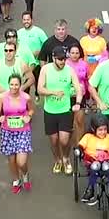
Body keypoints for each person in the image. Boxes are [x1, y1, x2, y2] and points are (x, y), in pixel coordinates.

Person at [38, 46, 83, 175]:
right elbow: (40, 89)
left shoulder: (70, 70)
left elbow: (78, 89)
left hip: (65, 110)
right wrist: (53, 92)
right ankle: (57, 160)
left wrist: (78, 103)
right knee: (54, 140)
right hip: (50, 111)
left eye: (64, 59)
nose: (62, 62)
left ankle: (66, 158)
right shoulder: (45, 69)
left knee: (64, 140)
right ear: (53, 58)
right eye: (60, 59)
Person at [0, 74, 35, 194]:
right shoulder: (2, 97)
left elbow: (31, 109)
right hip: (7, 132)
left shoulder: (26, 97)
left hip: (23, 131)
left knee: (21, 161)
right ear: (8, 84)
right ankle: (16, 180)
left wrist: (29, 116)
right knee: (12, 160)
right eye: (12, 84)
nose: (14, 87)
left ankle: (25, 174)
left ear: (20, 85)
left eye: (16, 84)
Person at [76, 116, 109, 205]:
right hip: (92, 161)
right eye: (100, 130)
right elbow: (80, 146)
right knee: (95, 166)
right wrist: (80, 152)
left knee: (106, 167)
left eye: (105, 129)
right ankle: (90, 189)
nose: (103, 132)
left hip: (107, 161)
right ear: (93, 129)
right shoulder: (88, 137)